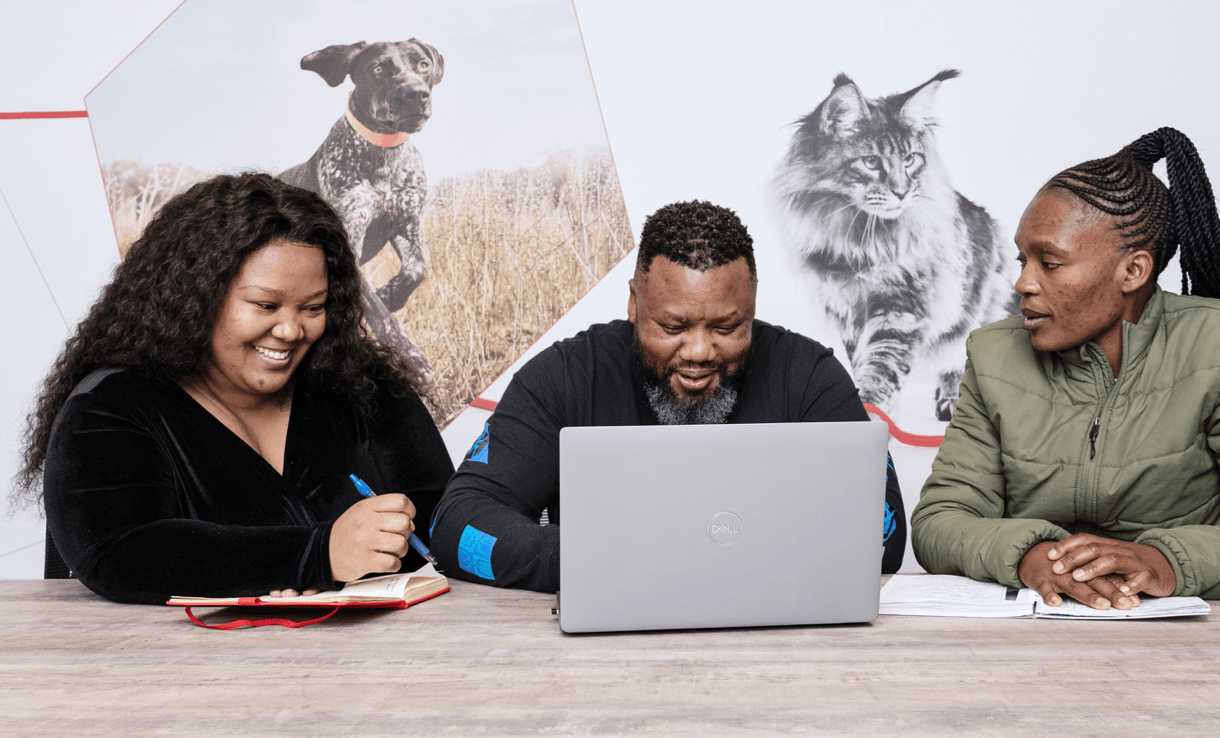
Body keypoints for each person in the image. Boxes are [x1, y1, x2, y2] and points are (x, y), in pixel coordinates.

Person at [16, 173, 453, 605]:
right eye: (265, 305)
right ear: (196, 295)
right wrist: (319, 554)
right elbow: (118, 553)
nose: (289, 329)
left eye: (313, 308)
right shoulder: (109, 406)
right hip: (182, 671)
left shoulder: (365, 387)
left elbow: (446, 512)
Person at [430, 200, 906, 592]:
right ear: (635, 302)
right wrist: (594, 561)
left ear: (753, 303)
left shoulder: (807, 376)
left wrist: (708, 560)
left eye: (727, 327)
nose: (699, 353)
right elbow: (455, 527)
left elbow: (884, 536)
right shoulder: (566, 376)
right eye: (673, 326)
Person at [912, 127, 1220, 608]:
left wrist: (1162, 563)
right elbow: (941, 520)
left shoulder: (1210, 346)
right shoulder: (994, 356)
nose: (1022, 283)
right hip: (1039, 639)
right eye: (1022, 260)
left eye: (1049, 263)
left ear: (1133, 271)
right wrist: (1030, 556)